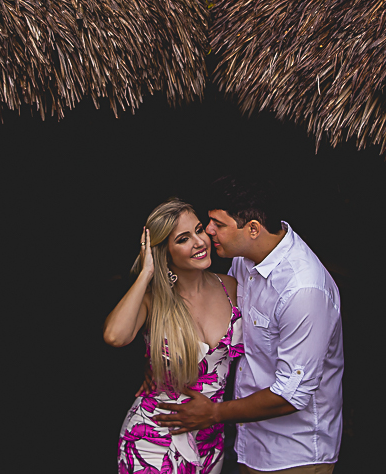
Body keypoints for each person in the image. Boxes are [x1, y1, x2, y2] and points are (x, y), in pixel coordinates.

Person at [153, 177, 343, 474]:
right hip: (249, 444)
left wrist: (214, 413)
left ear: (253, 229)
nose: (208, 231)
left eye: (218, 224)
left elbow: (291, 394)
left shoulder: (303, 290)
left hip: (295, 454)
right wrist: (161, 364)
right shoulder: (245, 260)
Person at [105, 198, 244, 474]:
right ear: (165, 253)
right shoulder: (154, 299)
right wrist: (147, 272)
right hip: (153, 438)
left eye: (199, 230)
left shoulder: (230, 286)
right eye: (183, 239)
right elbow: (115, 337)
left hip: (209, 442)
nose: (199, 242)